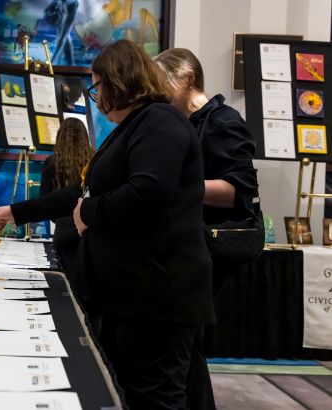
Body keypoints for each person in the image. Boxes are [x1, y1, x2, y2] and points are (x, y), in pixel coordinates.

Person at [0, 39, 215, 409]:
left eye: (97, 87)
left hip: (157, 297)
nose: (97, 97)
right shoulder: (136, 125)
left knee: (154, 396)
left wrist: (88, 213)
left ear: (119, 81)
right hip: (136, 294)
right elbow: (83, 190)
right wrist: (16, 211)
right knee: (132, 390)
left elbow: (148, 191)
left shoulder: (158, 121)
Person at [154, 47, 260, 410]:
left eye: (162, 83)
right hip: (192, 244)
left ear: (186, 79)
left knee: (184, 338)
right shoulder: (186, 123)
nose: (158, 93)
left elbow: (239, 191)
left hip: (213, 244)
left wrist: (177, 186)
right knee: (187, 341)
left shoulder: (222, 120)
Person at [39, 117, 93, 284]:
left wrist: (62, 220)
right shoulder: (95, 159)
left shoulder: (52, 162)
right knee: (89, 283)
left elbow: (44, 201)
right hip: (90, 230)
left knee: (66, 285)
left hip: (63, 231)